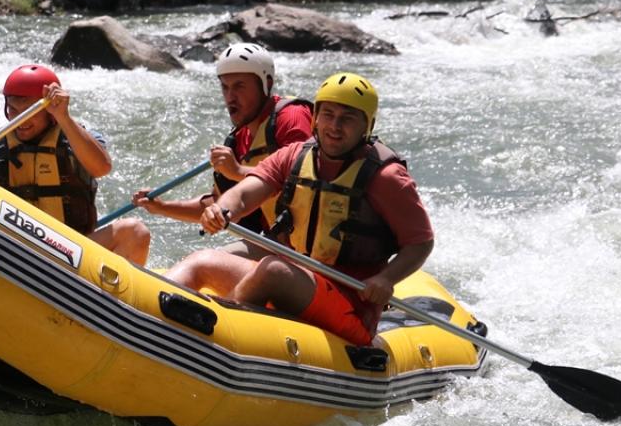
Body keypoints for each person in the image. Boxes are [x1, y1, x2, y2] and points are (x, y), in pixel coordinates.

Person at [163, 72, 434, 346]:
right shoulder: (294, 155)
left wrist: (387, 279)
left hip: (350, 303)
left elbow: (421, 242)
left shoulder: (386, 177)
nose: (335, 126)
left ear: (367, 125)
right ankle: (152, 316)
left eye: (347, 118)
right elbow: (245, 194)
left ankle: (215, 338)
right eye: (327, 115)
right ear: (315, 118)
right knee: (203, 260)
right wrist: (221, 210)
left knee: (274, 270)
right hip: (297, 282)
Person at [0, 64, 150, 266]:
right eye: (13, 109)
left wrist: (63, 116)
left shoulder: (77, 137)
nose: (20, 120)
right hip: (17, 252)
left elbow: (101, 167)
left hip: (73, 252)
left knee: (135, 232)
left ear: (49, 111)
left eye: (30, 111)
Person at [129, 43, 312, 246]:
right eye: (225, 87)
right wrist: (162, 207)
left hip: (305, 248)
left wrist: (237, 171)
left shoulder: (292, 117)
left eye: (239, 86)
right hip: (274, 241)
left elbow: (304, 183)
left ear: (266, 84)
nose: (230, 97)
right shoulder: (238, 138)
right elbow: (217, 204)